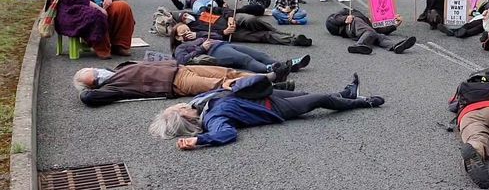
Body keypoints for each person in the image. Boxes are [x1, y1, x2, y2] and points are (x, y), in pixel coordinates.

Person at [149, 73, 384, 149]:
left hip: (266, 96)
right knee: (319, 100)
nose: (180, 104)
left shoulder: (200, 102)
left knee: (306, 94)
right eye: (177, 108)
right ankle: (363, 102)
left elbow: (219, 89)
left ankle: (347, 94)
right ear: (185, 118)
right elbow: (227, 134)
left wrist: (227, 84)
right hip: (276, 108)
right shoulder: (213, 119)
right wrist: (199, 139)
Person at [72, 61, 293, 107]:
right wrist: (90, 85)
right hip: (175, 82)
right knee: (222, 83)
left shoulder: (119, 68)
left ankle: (272, 79)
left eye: (93, 69)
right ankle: (271, 81)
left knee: (227, 71)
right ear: (93, 81)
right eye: (93, 73)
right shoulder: (111, 87)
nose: (98, 70)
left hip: (180, 67)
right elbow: (88, 98)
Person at [170, 23, 311, 73]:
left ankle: (289, 64)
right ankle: (272, 69)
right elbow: (183, 60)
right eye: (183, 32)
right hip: (215, 52)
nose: (187, 33)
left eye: (188, 30)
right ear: (177, 37)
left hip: (223, 45)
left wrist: (198, 34)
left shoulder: (198, 36)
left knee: (260, 55)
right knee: (245, 59)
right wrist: (201, 48)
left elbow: (218, 36)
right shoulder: (181, 47)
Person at [177, 8, 312, 47]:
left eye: (185, 15)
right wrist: (224, 32)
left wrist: (230, 18)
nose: (185, 17)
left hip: (233, 20)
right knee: (261, 36)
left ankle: (278, 31)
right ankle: (294, 40)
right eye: (182, 19)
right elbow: (211, 36)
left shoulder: (203, 10)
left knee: (251, 19)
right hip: (230, 34)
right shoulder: (193, 30)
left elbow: (225, 10)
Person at [325, 8, 416, 55]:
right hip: (351, 26)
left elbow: (379, 29)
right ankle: (359, 45)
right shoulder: (347, 12)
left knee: (378, 35)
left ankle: (394, 46)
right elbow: (331, 19)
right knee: (370, 32)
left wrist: (394, 25)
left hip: (361, 31)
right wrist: (345, 19)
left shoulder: (366, 21)